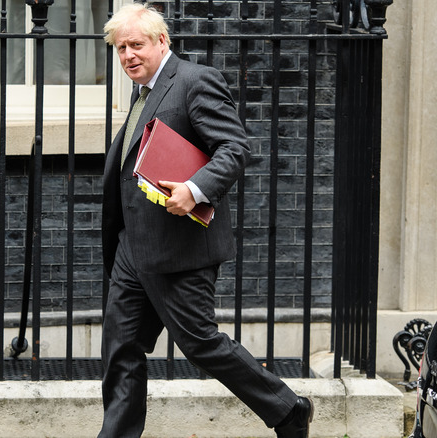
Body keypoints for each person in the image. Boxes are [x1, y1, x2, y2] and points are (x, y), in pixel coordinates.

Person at [98, 4, 313, 437]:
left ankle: (287, 410)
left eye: (136, 45)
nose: (127, 56)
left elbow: (234, 148)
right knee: (121, 350)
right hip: (132, 249)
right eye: (120, 49)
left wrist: (193, 190)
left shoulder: (195, 82)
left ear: (163, 41)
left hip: (178, 247)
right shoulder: (142, 94)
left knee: (200, 343)